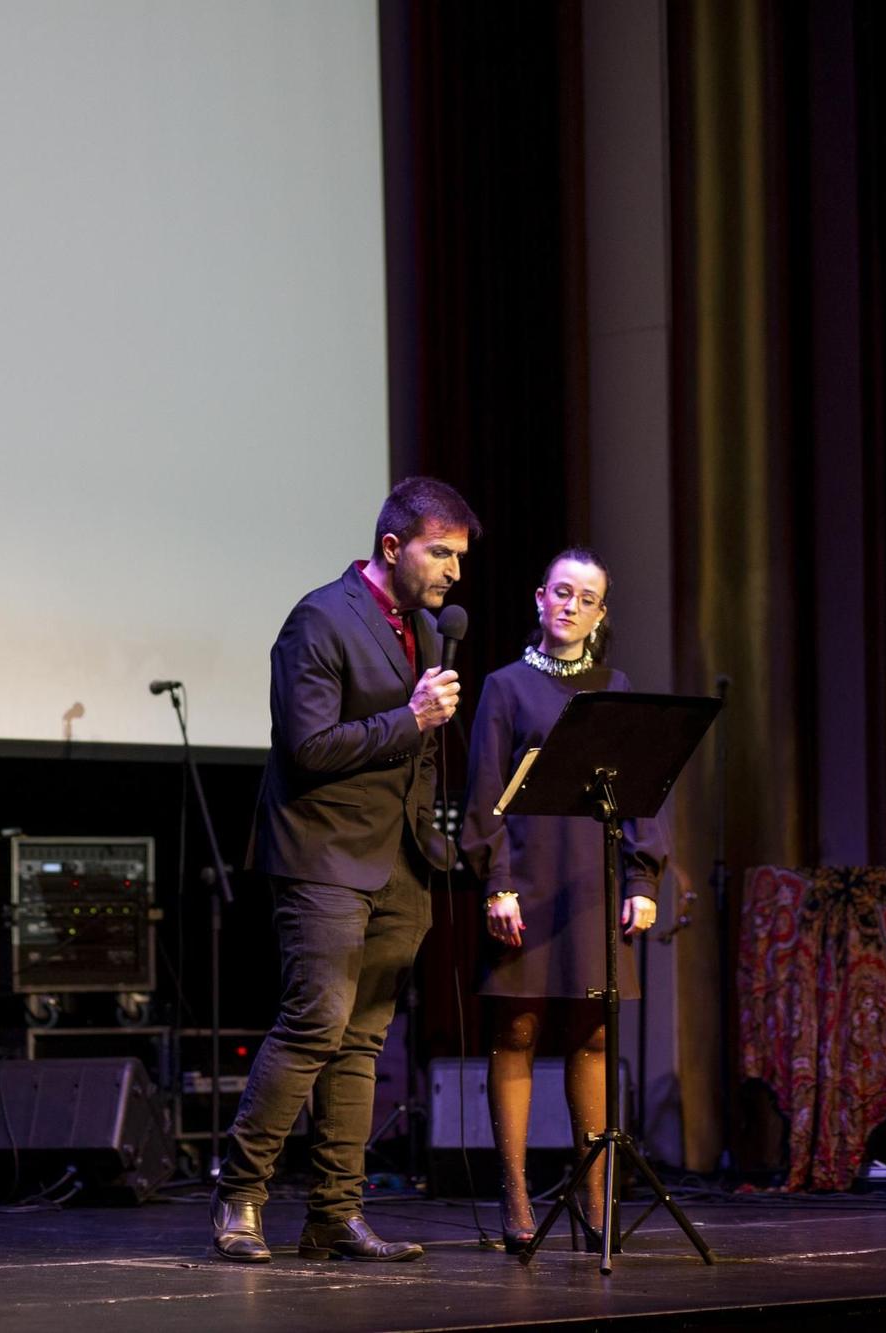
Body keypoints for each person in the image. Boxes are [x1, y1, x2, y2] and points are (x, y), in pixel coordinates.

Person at [211, 476, 477, 1264]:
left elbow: (420, 755)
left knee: (363, 1041)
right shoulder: (320, 618)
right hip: (323, 854)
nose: (453, 572)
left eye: (460, 558)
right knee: (315, 1024)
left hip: (401, 861)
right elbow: (309, 746)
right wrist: (411, 718)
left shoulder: (427, 631)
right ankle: (240, 1195)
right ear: (393, 546)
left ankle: (335, 1210)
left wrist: (433, 838)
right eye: (441, 553)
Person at [458, 547, 665, 1253]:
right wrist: (496, 882)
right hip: (526, 883)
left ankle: (593, 1200)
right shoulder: (504, 686)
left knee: (594, 1035)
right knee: (516, 1034)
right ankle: (516, 1196)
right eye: (561, 592)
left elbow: (641, 792)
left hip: (594, 885)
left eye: (587, 597)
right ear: (539, 598)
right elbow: (483, 794)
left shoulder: (616, 686)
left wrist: (643, 881)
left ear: (601, 613)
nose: (571, 605)